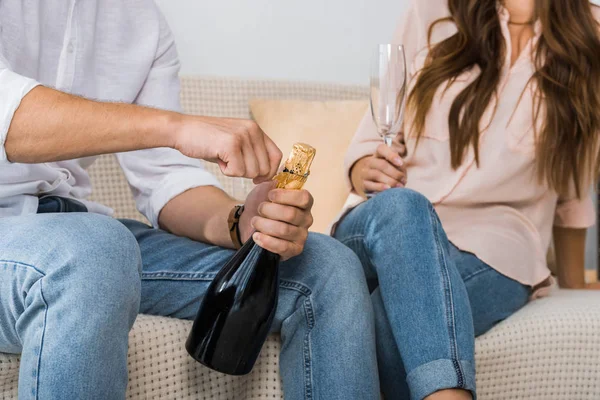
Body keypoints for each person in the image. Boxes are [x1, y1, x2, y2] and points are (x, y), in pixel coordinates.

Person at [0, 2, 381, 399]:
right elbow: (8, 117)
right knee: (94, 251)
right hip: (55, 244)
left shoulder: (140, 20)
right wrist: (174, 127)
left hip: (75, 229)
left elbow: (165, 175)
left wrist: (239, 222)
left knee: (327, 265)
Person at [333, 0, 600, 399]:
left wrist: (574, 280)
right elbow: (376, 131)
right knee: (407, 209)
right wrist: (364, 168)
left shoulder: (591, 31)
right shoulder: (430, 11)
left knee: (370, 323)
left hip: (496, 245)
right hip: (389, 220)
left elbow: (574, 176)